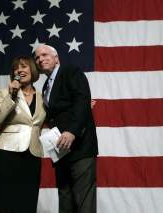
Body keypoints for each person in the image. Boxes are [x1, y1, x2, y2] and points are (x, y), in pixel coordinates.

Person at [35, 44, 98, 213]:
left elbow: (81, 100)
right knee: (65, 197)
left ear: (56, 58)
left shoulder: (70, 71)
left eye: (44, 55)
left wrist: (72, 131)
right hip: (61, 150)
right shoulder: (46, 86)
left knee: (83, 199)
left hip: (80, 146)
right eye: (37, 57)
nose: (40, 59)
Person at [0, 56, 46, 213]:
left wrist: (80, 107)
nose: (19, 70)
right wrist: (11, 96)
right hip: (5, 155)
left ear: (32, 70)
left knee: (26, 206)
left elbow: (55, 118)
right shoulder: (5, 93)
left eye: (23, 66)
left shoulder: (43, 97)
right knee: (4, 206)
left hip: (31, 157)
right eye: (15, 68)